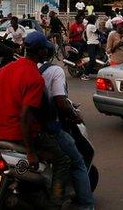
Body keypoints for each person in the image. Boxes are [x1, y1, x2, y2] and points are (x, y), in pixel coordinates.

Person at [0, 31, 71, 210]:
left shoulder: (4, 70)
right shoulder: (34, 77)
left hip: (0, 135)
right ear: (41, 52)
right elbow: (25, 116)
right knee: (63, 161)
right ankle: (55, 204)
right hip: (21, 136)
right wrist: (30, 151)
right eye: (45, 50)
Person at [37, 40, 95, 210]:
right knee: (77, 161)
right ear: (48, 53)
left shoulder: (23, 69)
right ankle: (86, 205)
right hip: (46, 128)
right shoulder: (55, 71)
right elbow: (61, 102)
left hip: (18, 128)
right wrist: (75, 116)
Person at [82, 15, 101, 79]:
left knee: (99, 57)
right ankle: (85, 74)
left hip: (95, 44)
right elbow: (98, 32)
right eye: (95, 19)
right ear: (92, 20)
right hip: (92, 44)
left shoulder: (90, 25)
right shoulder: (91, 26)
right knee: (92, 60)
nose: (95, 20)